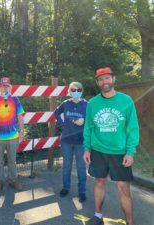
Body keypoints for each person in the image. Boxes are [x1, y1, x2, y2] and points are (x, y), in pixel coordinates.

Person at [83, 67, 139, 225]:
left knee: (123, 188)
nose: (104, 82)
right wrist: (87, 149)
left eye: (107, 78)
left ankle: (130, 221)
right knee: (99, 182)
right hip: (98, 151)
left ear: (113, 79)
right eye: (100, 79)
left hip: (119, 152)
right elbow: (88, 128)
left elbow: (133, 128)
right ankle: (98, 215)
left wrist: (130, 152)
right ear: (97, 82)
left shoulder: (126, 100)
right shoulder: (93, 103)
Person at [54, 82, 87, 203]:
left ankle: (82, 191)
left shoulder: (86, 105)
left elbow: (92, 121)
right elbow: (56, 113)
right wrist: (63, 124)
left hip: (80, 141)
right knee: (66, 166)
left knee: (81, 167)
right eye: (73, 90)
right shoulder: (65, 103)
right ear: (69, 91)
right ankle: (65, 187)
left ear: (82, 91)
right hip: (66, 140)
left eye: (78, 89)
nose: (76, 92)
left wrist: (84, 121)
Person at [0, 77, 25, 192]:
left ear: (10, 87)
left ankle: (13, 180)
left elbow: (20, 116)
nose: (5, 88)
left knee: (12, 160)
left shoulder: (15, 99)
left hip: (13, 136)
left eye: (7, 86)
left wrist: (22, 131)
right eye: (3, 86)